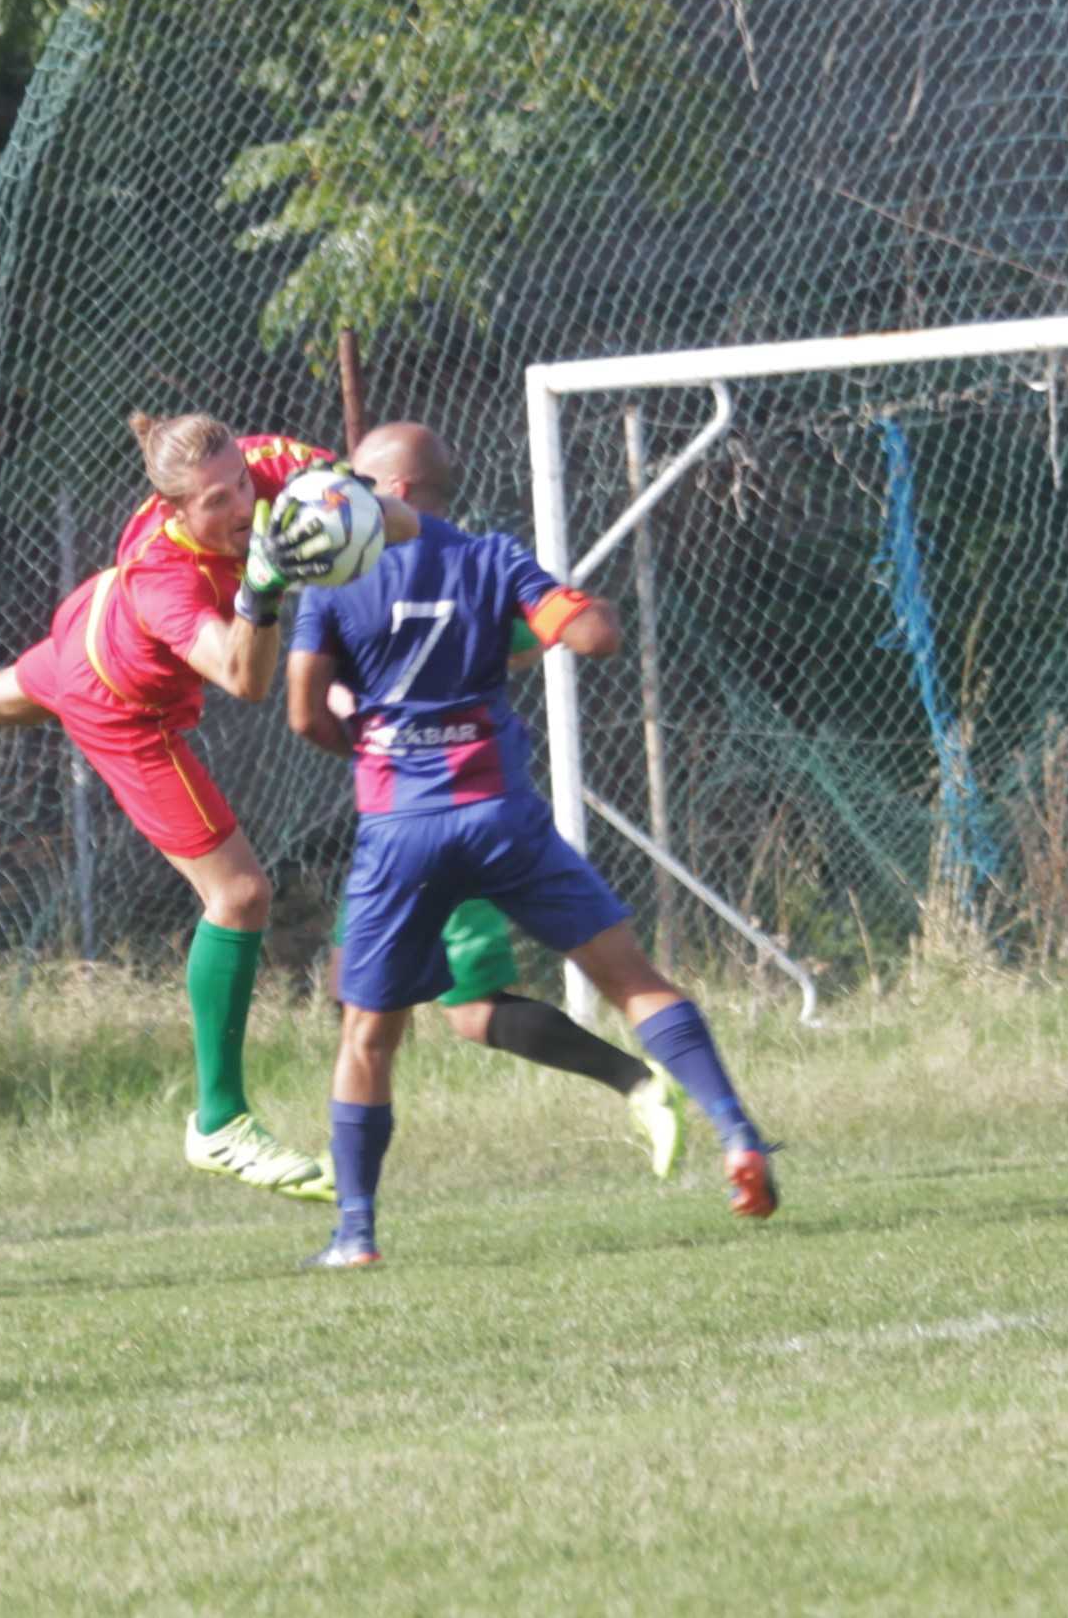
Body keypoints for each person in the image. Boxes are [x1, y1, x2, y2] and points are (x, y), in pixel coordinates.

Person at [0, 412, 404, 1200]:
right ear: (171, 512)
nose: (237, 508)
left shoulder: (270, 466)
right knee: (239, 897)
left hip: (88, 625)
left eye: (239, 484)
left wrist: (363, 508)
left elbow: (386, 517)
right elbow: (244, 679)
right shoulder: (167, 575)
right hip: (121, 703)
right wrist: (261, 593)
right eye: (212, 502)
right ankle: (219, 1124)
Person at [284, 421, 780, 1267]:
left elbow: (301, 714)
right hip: (497, 815)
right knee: (630, 980)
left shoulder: (334, 581)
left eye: (359, 485)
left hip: (397, 829)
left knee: (368, 1036)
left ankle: (355, 1232)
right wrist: (593, 612)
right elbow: (590, 636)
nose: (346, 500)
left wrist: (370, 748)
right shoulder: (490, 558)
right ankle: (738, 1135)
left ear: (394, 493)